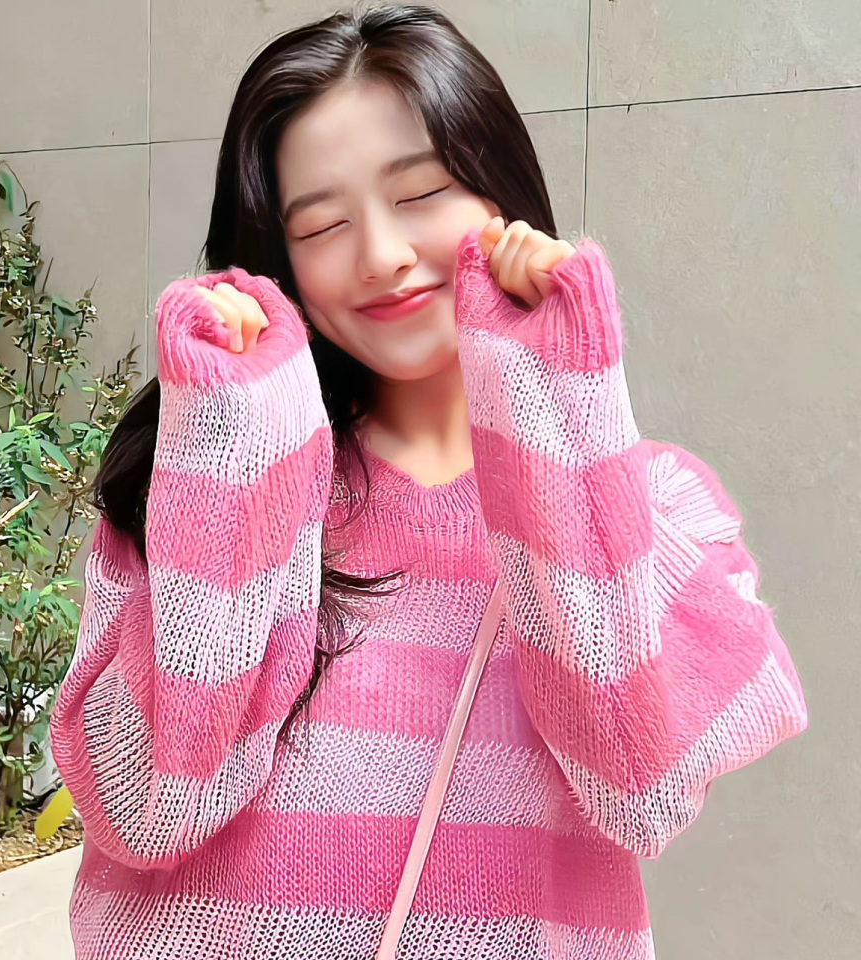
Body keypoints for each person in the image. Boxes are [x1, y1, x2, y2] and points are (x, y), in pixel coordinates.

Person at [48, 4, 809, 958]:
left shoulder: (661, 509)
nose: (381, 255)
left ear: (502, 196)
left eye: (422, 193)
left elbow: (640, 787)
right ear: (279, 262)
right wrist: (238, 448)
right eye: (323, 225)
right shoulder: (203, 484)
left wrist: (554, 414)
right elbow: (148, 810)